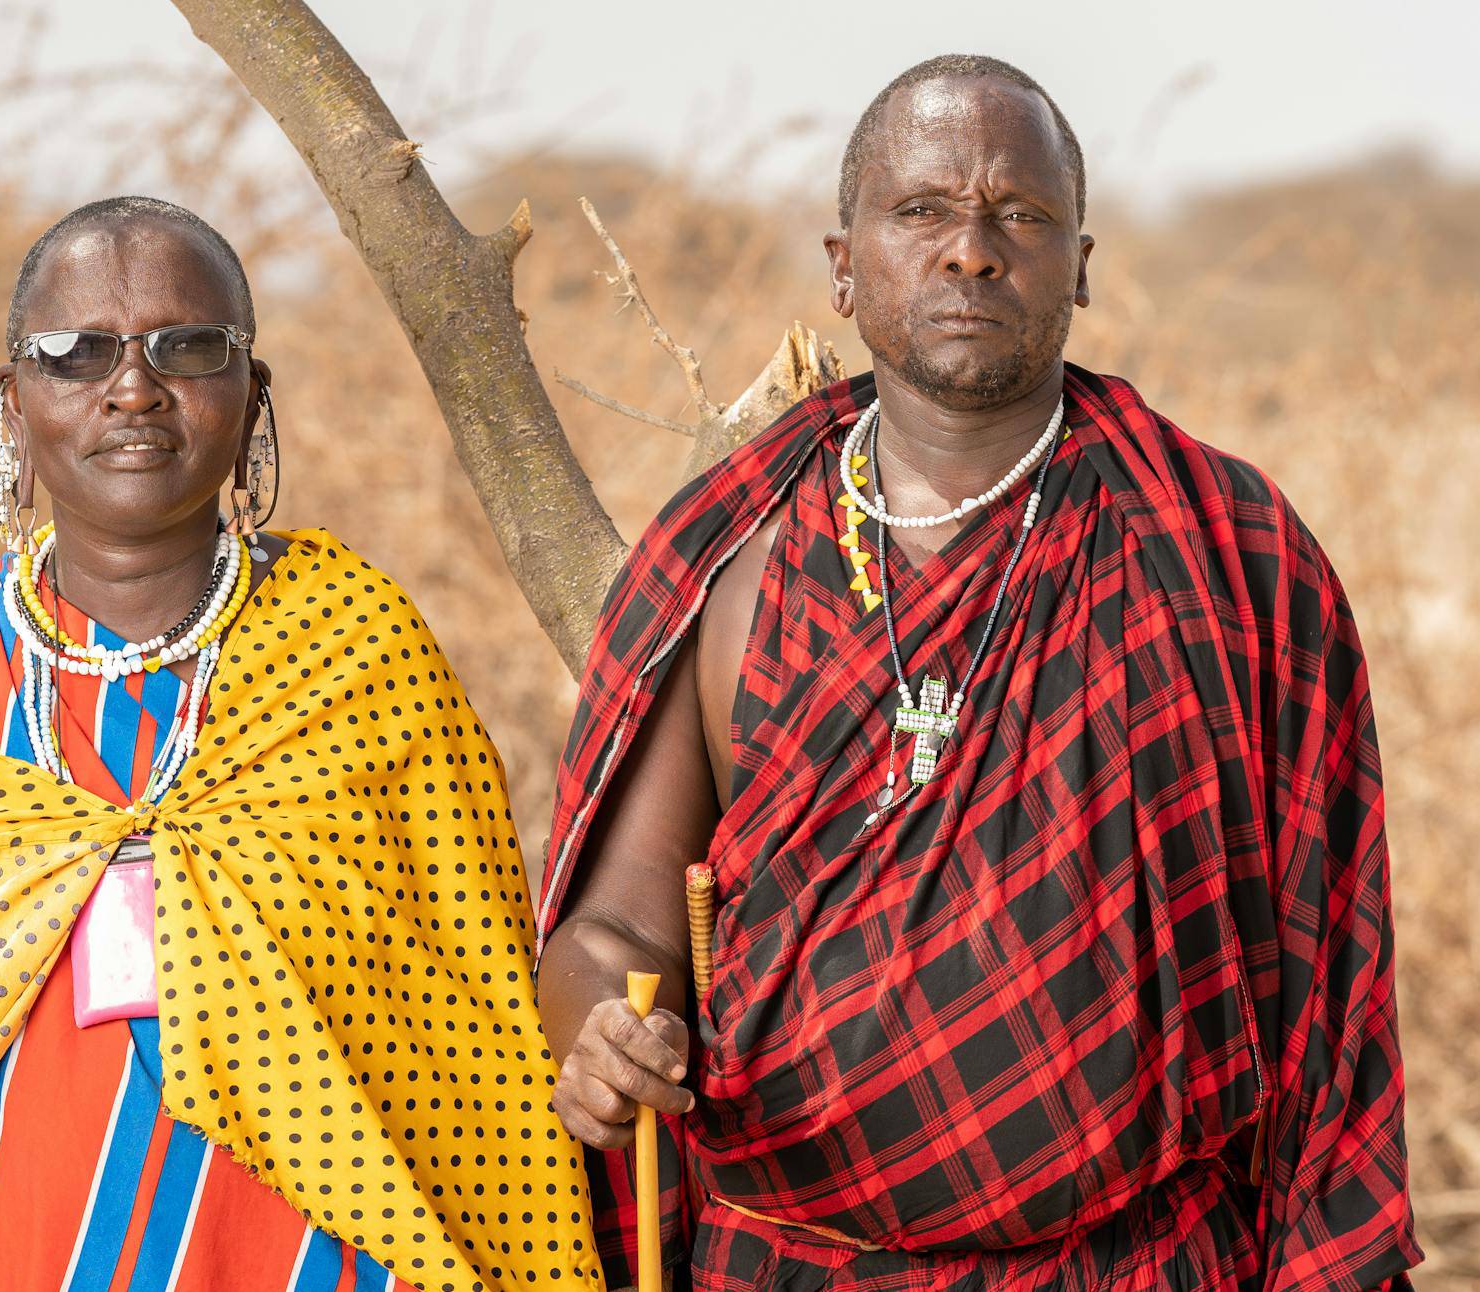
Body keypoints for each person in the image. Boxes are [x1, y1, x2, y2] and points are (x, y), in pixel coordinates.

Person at [536, 56, 1420, 1291]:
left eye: (1021, 215)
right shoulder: (735, 556)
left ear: (1083, 263)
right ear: (843, 267)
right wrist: (606, 1034)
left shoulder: (1227, 552)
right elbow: (617, 924)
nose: (972, 251)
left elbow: (1327, 975)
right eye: (924, 210)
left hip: (1141, 1261)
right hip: (792, 1263)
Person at [0, 196, 602, 1292]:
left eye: (188, 346)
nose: (133, 386)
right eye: (75, 352)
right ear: (13, 402)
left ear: (254, 395)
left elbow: (466, 1017)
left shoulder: (355, 648)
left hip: (311, 1253)